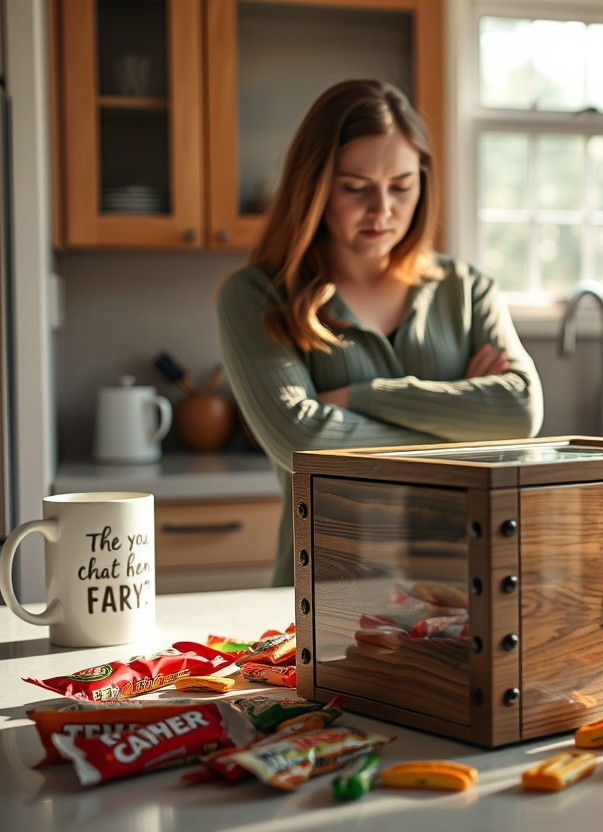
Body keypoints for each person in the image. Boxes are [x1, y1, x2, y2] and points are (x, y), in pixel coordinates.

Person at [217, 79, 544, 587]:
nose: (383, 209)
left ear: (423, 182)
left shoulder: (468, 289)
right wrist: (466, 427)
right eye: (355, 186)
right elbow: (300, 440)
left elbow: (520, 412)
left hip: (460, 592)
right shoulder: (256, 295)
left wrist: (356, 398)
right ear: (315, 184)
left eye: (401, 185)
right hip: (324, 593)